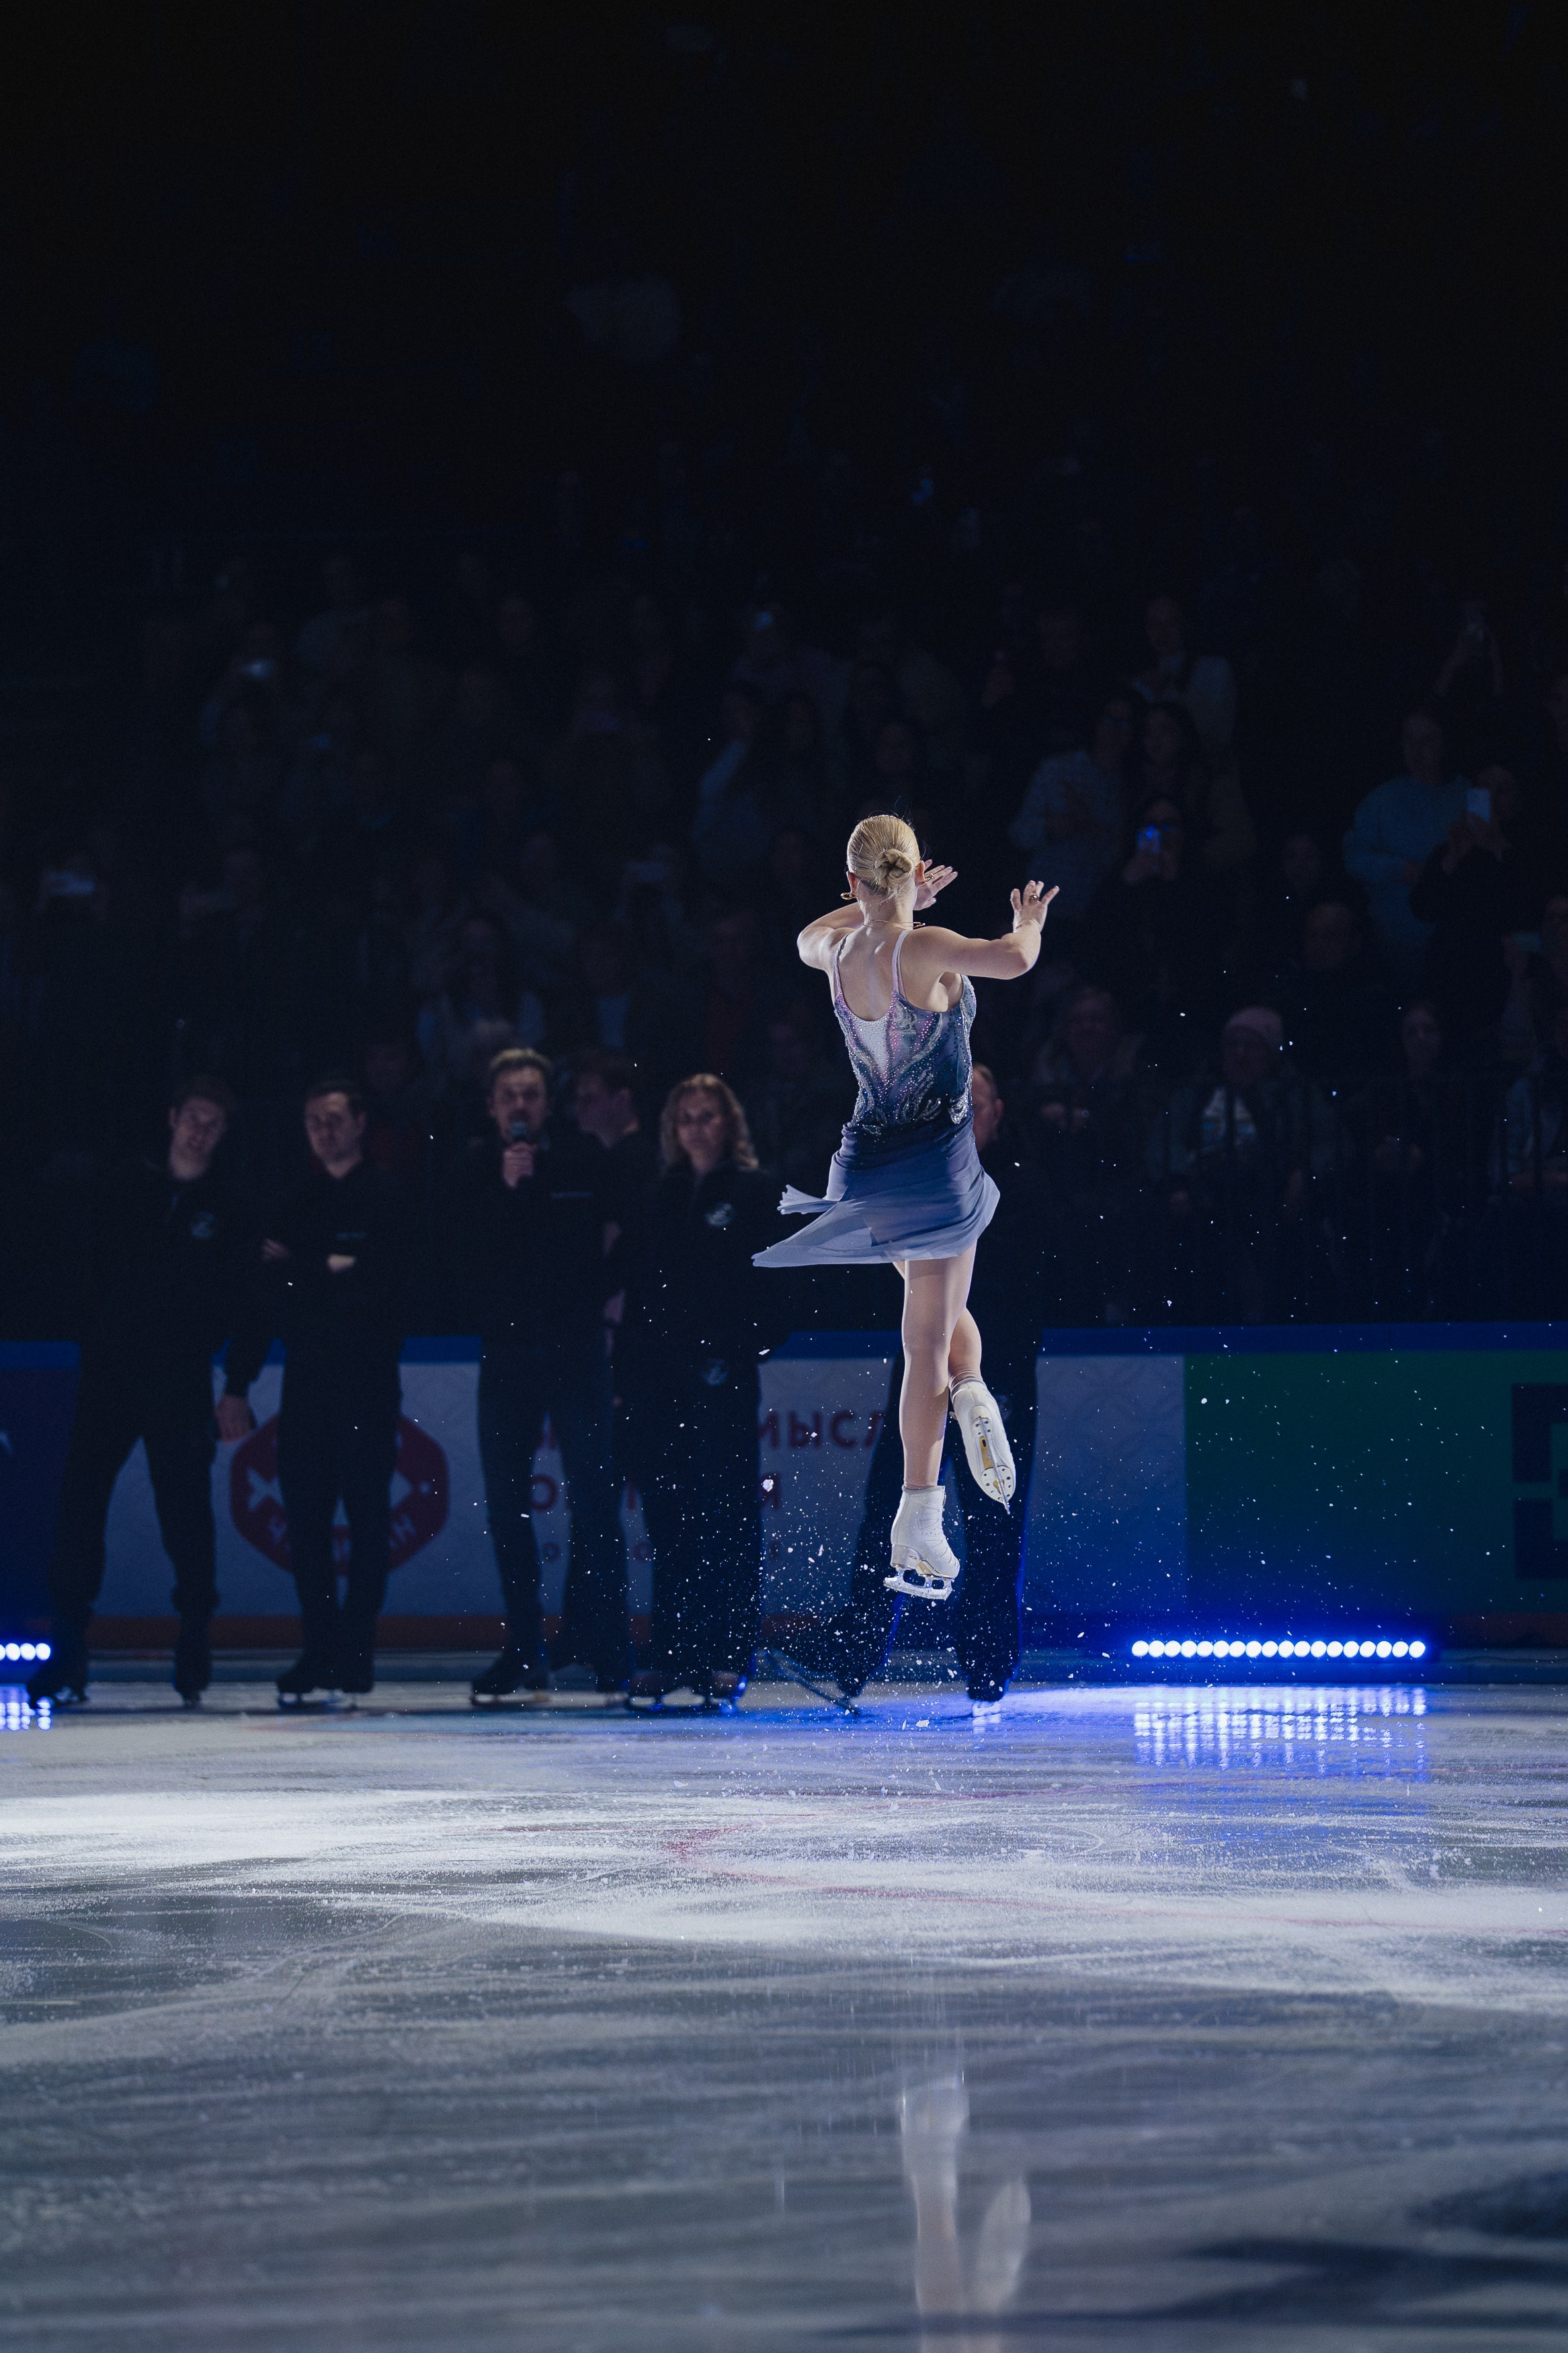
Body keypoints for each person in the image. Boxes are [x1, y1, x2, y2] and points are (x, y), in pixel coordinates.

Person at [753, 813, 1056, 1602]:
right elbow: (1016, 959)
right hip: (936, 1161)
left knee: (936, 1321)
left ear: (851, 882)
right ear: (915, 872)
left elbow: (810, 930)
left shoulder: (833, 949)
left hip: (866, 1163)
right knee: (927, 1337)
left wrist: (886, 896)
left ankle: (970, 1390)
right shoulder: (925, 946)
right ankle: (917, 1509)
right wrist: (1028, 919)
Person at [784, 1065, 1050, 1714]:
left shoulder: (1016, 1189)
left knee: (993, 1517)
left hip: (996, 1366)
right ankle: (854, 1652)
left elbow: (1030, 1287)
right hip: (926, 1360)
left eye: (973, 1103)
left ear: (996, 1114)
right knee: (891, 1505)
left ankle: (987, 1660)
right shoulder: (921, 1183)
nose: (960, 1114)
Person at [26, 1077, 259, 1710]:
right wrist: (94, 1331)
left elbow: (249, 1302)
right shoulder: (124, 1188)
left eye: (213, 1123)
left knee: (184, 1513)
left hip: (179, 1377)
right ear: (172, 1119)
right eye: (193, 1118)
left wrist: (237, 1383)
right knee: (80, 1507)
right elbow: (83, 1264)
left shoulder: (231, 1210)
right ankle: (69, 1647)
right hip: (110, 1372)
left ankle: (194, 1639)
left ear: (223, 1134)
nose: (200, 1131)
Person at [224, 1076, 409, 1702]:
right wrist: (328, 1269)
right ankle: (320, 1647)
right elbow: (266, 1294)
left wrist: (304, 1272)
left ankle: (355, 1650)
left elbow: (386, 1286)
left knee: (366, 1515)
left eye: (333, 1119)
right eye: (313, 1122)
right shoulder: (294, 1202)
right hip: (306, 1383)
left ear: (360, 1122)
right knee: (305, 1521)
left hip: (367, 1381)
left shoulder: (388, 1196)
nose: (324, 1132)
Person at [450, 1048, 628, 1701]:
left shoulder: (582, 1160)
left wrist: (591, 1305)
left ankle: (610, 1647)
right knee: (507, 1505)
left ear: (547, 1103)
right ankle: (524, 1648)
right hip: (507, 1354)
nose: (519, 1105)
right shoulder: (473, 1171)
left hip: (575, 1349)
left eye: (530, 1093)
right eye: (508, 1095)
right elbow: (462, 1259)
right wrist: (505, 1188)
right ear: (492, 1107)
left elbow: (621, 1241)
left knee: (595, 1498)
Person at [618, 1076, 789, 1706]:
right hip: (657, 1381)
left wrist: (739, 1350)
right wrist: (627, 1375)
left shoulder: (756, 1192)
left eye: (706, 1116)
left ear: (729, 1123)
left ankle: (728, 1651)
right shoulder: (659, 1195)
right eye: (684, 1117)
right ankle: (673, 1651)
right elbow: (636, 1291)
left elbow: (778, 1289)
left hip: (721, 1378)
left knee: (727, 1516)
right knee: (669, 1518)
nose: (695, 1128)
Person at [1342, 707, 1469, 981]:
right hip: (1390, 946)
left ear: (1444, 742)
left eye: (1427, 741)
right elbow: (1353, 856)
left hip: (1454, 944)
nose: (1416, 751)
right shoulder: (1381, 800)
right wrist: (1399, 870)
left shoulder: (1469, 796)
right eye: (1409, 740)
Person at [569, 1046, 659, 1218]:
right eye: (577, 1099)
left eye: (589, 1099)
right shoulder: (613, 1159)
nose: (578, 1108)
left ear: (622, 1099)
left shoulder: (632, 1165)